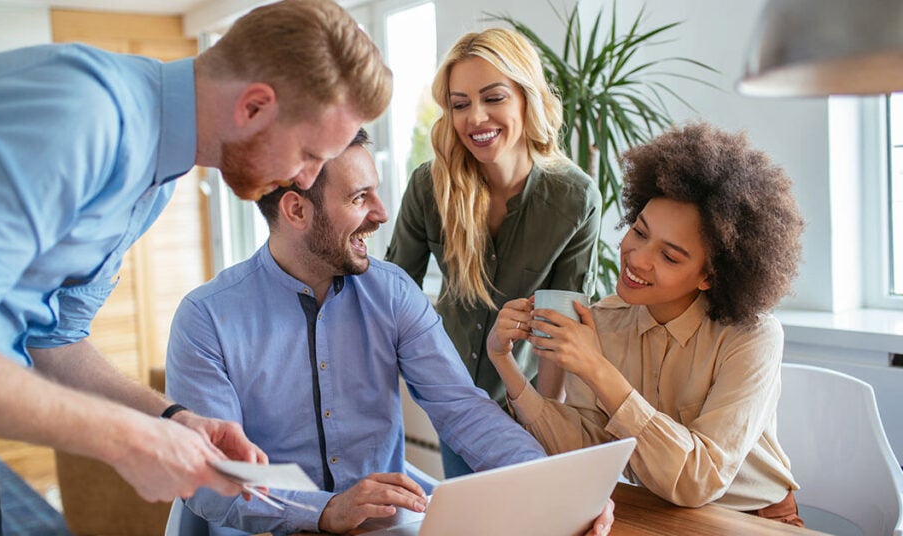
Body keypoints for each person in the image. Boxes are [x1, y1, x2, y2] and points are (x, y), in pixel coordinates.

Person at [0, 0, 392, 532]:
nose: (305, 178)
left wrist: (171, 420)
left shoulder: (156, 175)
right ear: (254, 107)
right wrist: (127, 440)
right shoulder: (81, 113)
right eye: (310, 153)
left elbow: (53, 338)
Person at [166, 129, 613, 536]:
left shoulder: (393, 292)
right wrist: (324, 510)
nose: (381, 214)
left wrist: (557, 488)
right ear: (296, 210)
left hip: (384, 527)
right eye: (360, 198)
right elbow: (211, 476)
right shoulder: (206, 319)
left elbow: (461, 408)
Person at [487, 123, 806, 526]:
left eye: (670, 257)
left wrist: (598, 369)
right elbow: (584, 446)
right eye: (639, 231)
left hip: (751, 518)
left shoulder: (752, 337)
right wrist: (505, 364)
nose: (637, 259)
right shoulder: (604, 320)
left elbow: (697, 481)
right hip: (652, 510)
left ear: (710, 276)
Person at [385, 27, 601, 477]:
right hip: (454, 400)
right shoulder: (430, 187)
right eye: (460, 104)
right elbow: (393, 293)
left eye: (493, 98)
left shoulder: (575, 198)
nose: (475, 118)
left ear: (527, 97)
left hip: (525, 402)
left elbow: (560, 326)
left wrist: (544, 419)